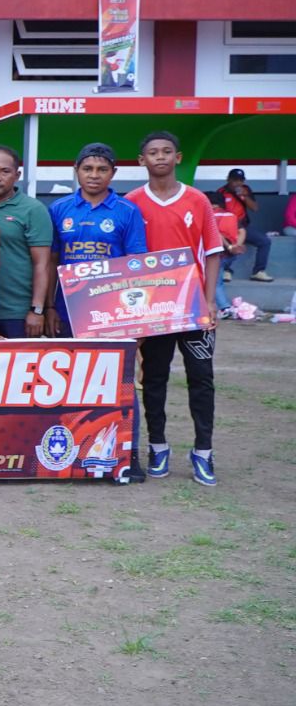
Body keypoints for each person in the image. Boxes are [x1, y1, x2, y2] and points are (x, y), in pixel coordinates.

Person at [123, 132, 224, 485]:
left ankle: (203, 452)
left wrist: (210, 300)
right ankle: (158, 447)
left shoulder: (197, 200)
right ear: (142, 160)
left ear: (178, 157)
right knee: (153, 379)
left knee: (202, 378)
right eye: (153, 152)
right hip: (154, 309)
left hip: (193, 306)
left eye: (167, 151)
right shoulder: (131, 203)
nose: (160, 157)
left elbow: (213, 253)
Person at [45, 143, 148, 337]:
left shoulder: (128, 210)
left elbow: (136, 264)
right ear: (76, 169)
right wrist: (49, 307)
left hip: (113, 309)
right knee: (68, 356)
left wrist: (137, 316)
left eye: (102, 169)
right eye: (87, 169)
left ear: (113, 173)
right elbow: (51, 261)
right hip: (67, 308)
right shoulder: (58, 208)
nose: (94, 175)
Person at [0, 145, 53, 338]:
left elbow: (42, 264)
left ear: (17, 175)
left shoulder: (33, 209)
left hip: (17, 313)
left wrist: (37, 310)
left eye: (5, 171)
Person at [216, 167, 272, 281]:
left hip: (244, 226)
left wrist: (245, 196)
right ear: (228, 179)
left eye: (241, 180)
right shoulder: (221, 192)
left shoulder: (246, 190)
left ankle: (258, 271)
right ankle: (226, 270)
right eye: (235, 180)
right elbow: (219, 212)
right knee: (229, 243)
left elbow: (255, 208)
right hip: (228, 227)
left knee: (265, 241)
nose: (238, 183)